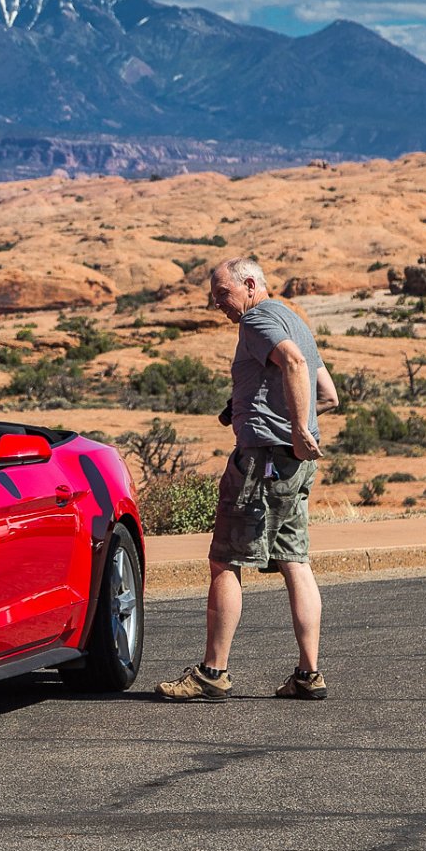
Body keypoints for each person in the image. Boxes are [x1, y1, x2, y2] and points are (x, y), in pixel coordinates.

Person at [158, 256, 339, 703]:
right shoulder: (293, 319)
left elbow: (294, 365)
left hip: (261, 464)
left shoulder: (257, 320)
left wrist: (292, 428)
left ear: (251, 284)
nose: (218, 304)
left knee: (226, 561)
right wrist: (259, 410)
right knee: (295, 562)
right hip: (292, 466)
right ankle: (308, 674)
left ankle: (213, 672)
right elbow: (328, 395)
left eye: (223, 294)